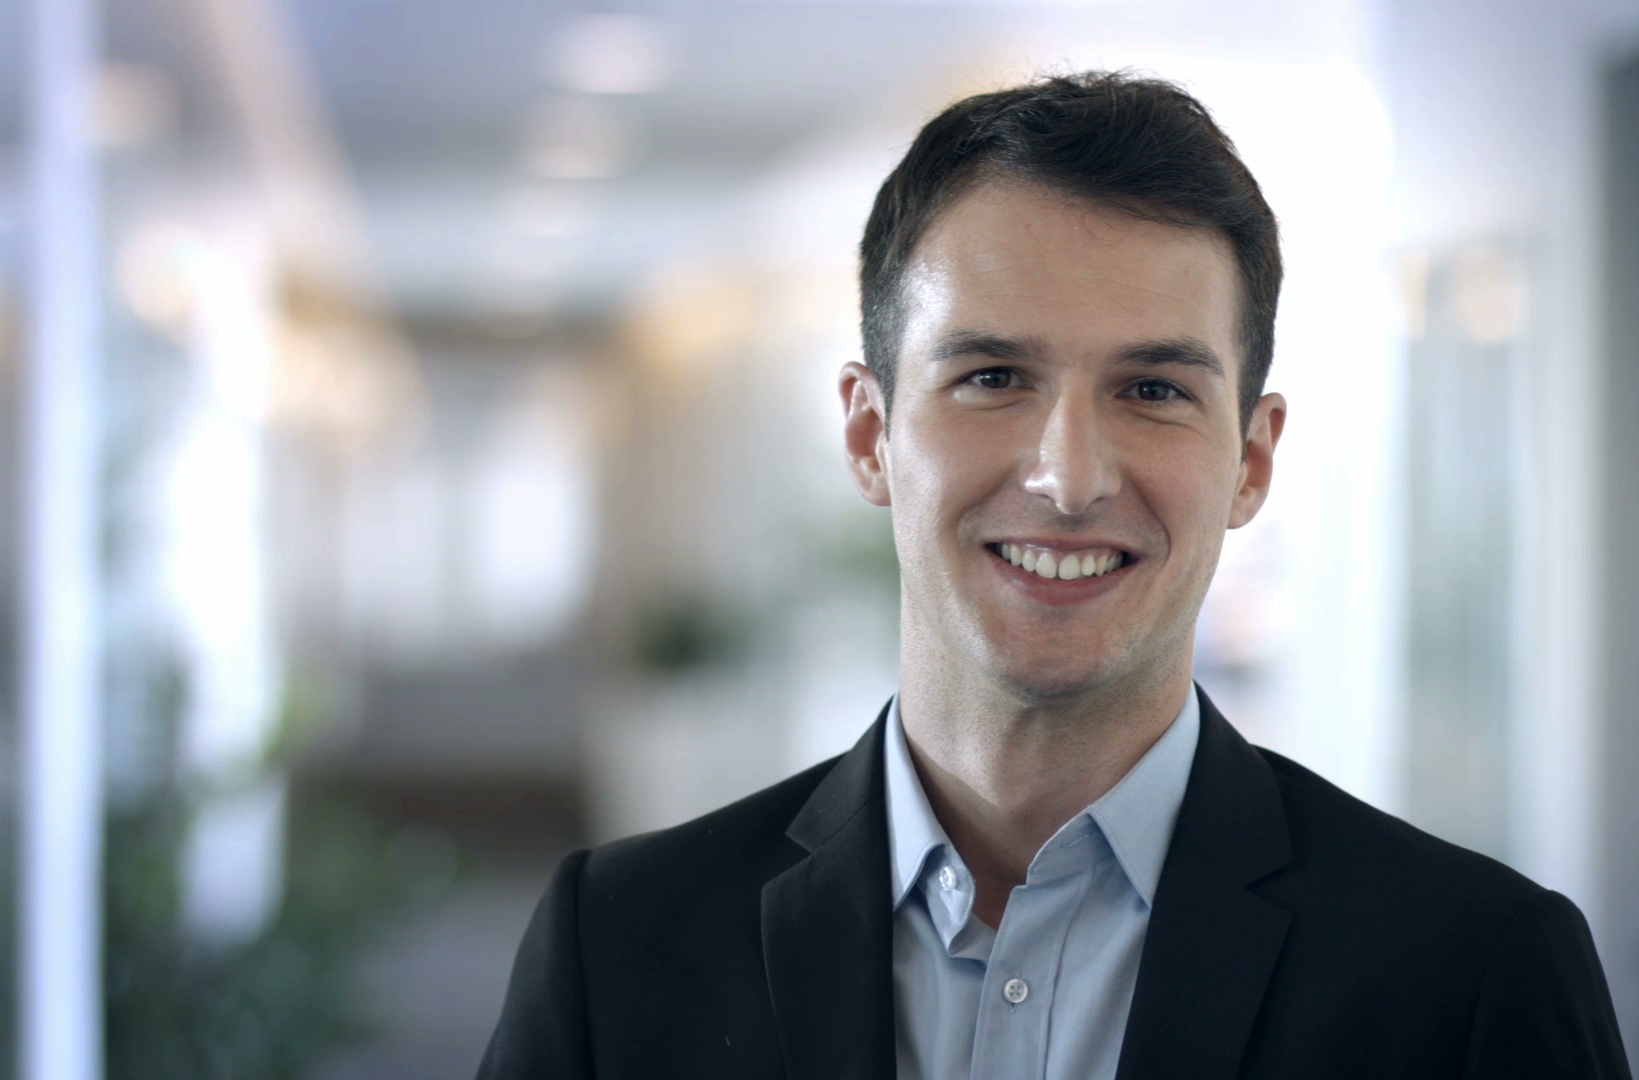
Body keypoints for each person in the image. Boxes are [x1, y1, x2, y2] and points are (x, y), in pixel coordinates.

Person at [476, 71, 1632, 1080]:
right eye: (991, 377)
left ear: (1251, 461)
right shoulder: (616, 945)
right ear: (871, 436)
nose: (1069, 478)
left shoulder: (1473, 973)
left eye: (1154, 390)